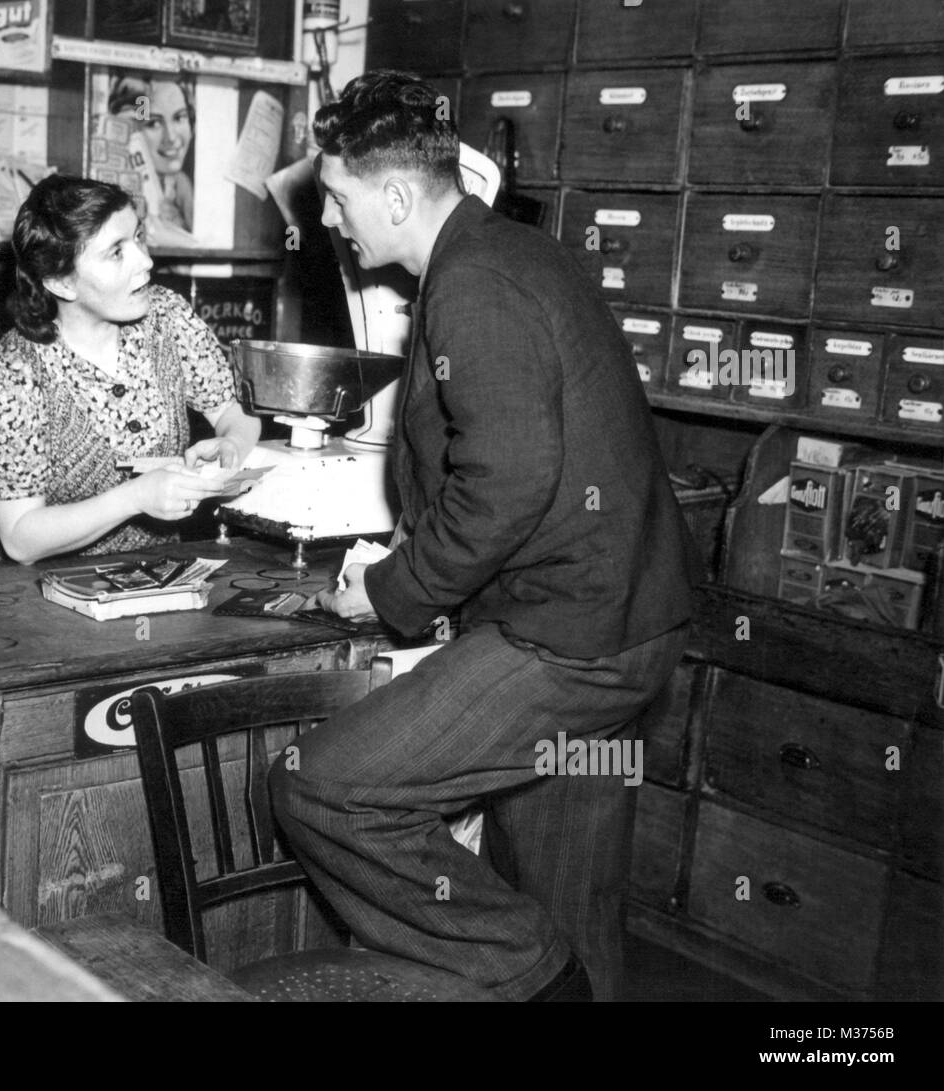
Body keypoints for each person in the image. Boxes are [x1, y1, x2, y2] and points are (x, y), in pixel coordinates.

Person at [268, 71, 702, 1001]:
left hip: (571, 640)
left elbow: (506, 483)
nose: (333, 222)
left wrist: (390, 590)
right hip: (631, 624)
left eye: (339, 199)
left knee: (322, 785)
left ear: (393, 194)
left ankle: (525, 978)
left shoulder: (474, 283)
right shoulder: (508, 254)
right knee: (569, 892)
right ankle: (558, 974)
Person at [0, 175, 259, 564]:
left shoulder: (167, 317)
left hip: (150, 574)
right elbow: (21, 539)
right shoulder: (9, 379)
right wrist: (135, 497)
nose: (146, 261)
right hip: (30, 596)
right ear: (61, 283)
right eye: (116, 252)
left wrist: (232, 444)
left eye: (138, 237)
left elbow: (234, 412)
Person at [108, 72, 195, 234]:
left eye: (179, 118)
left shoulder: (183, 186)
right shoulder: (116, 184)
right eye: (154, 123)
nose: (171, 137)